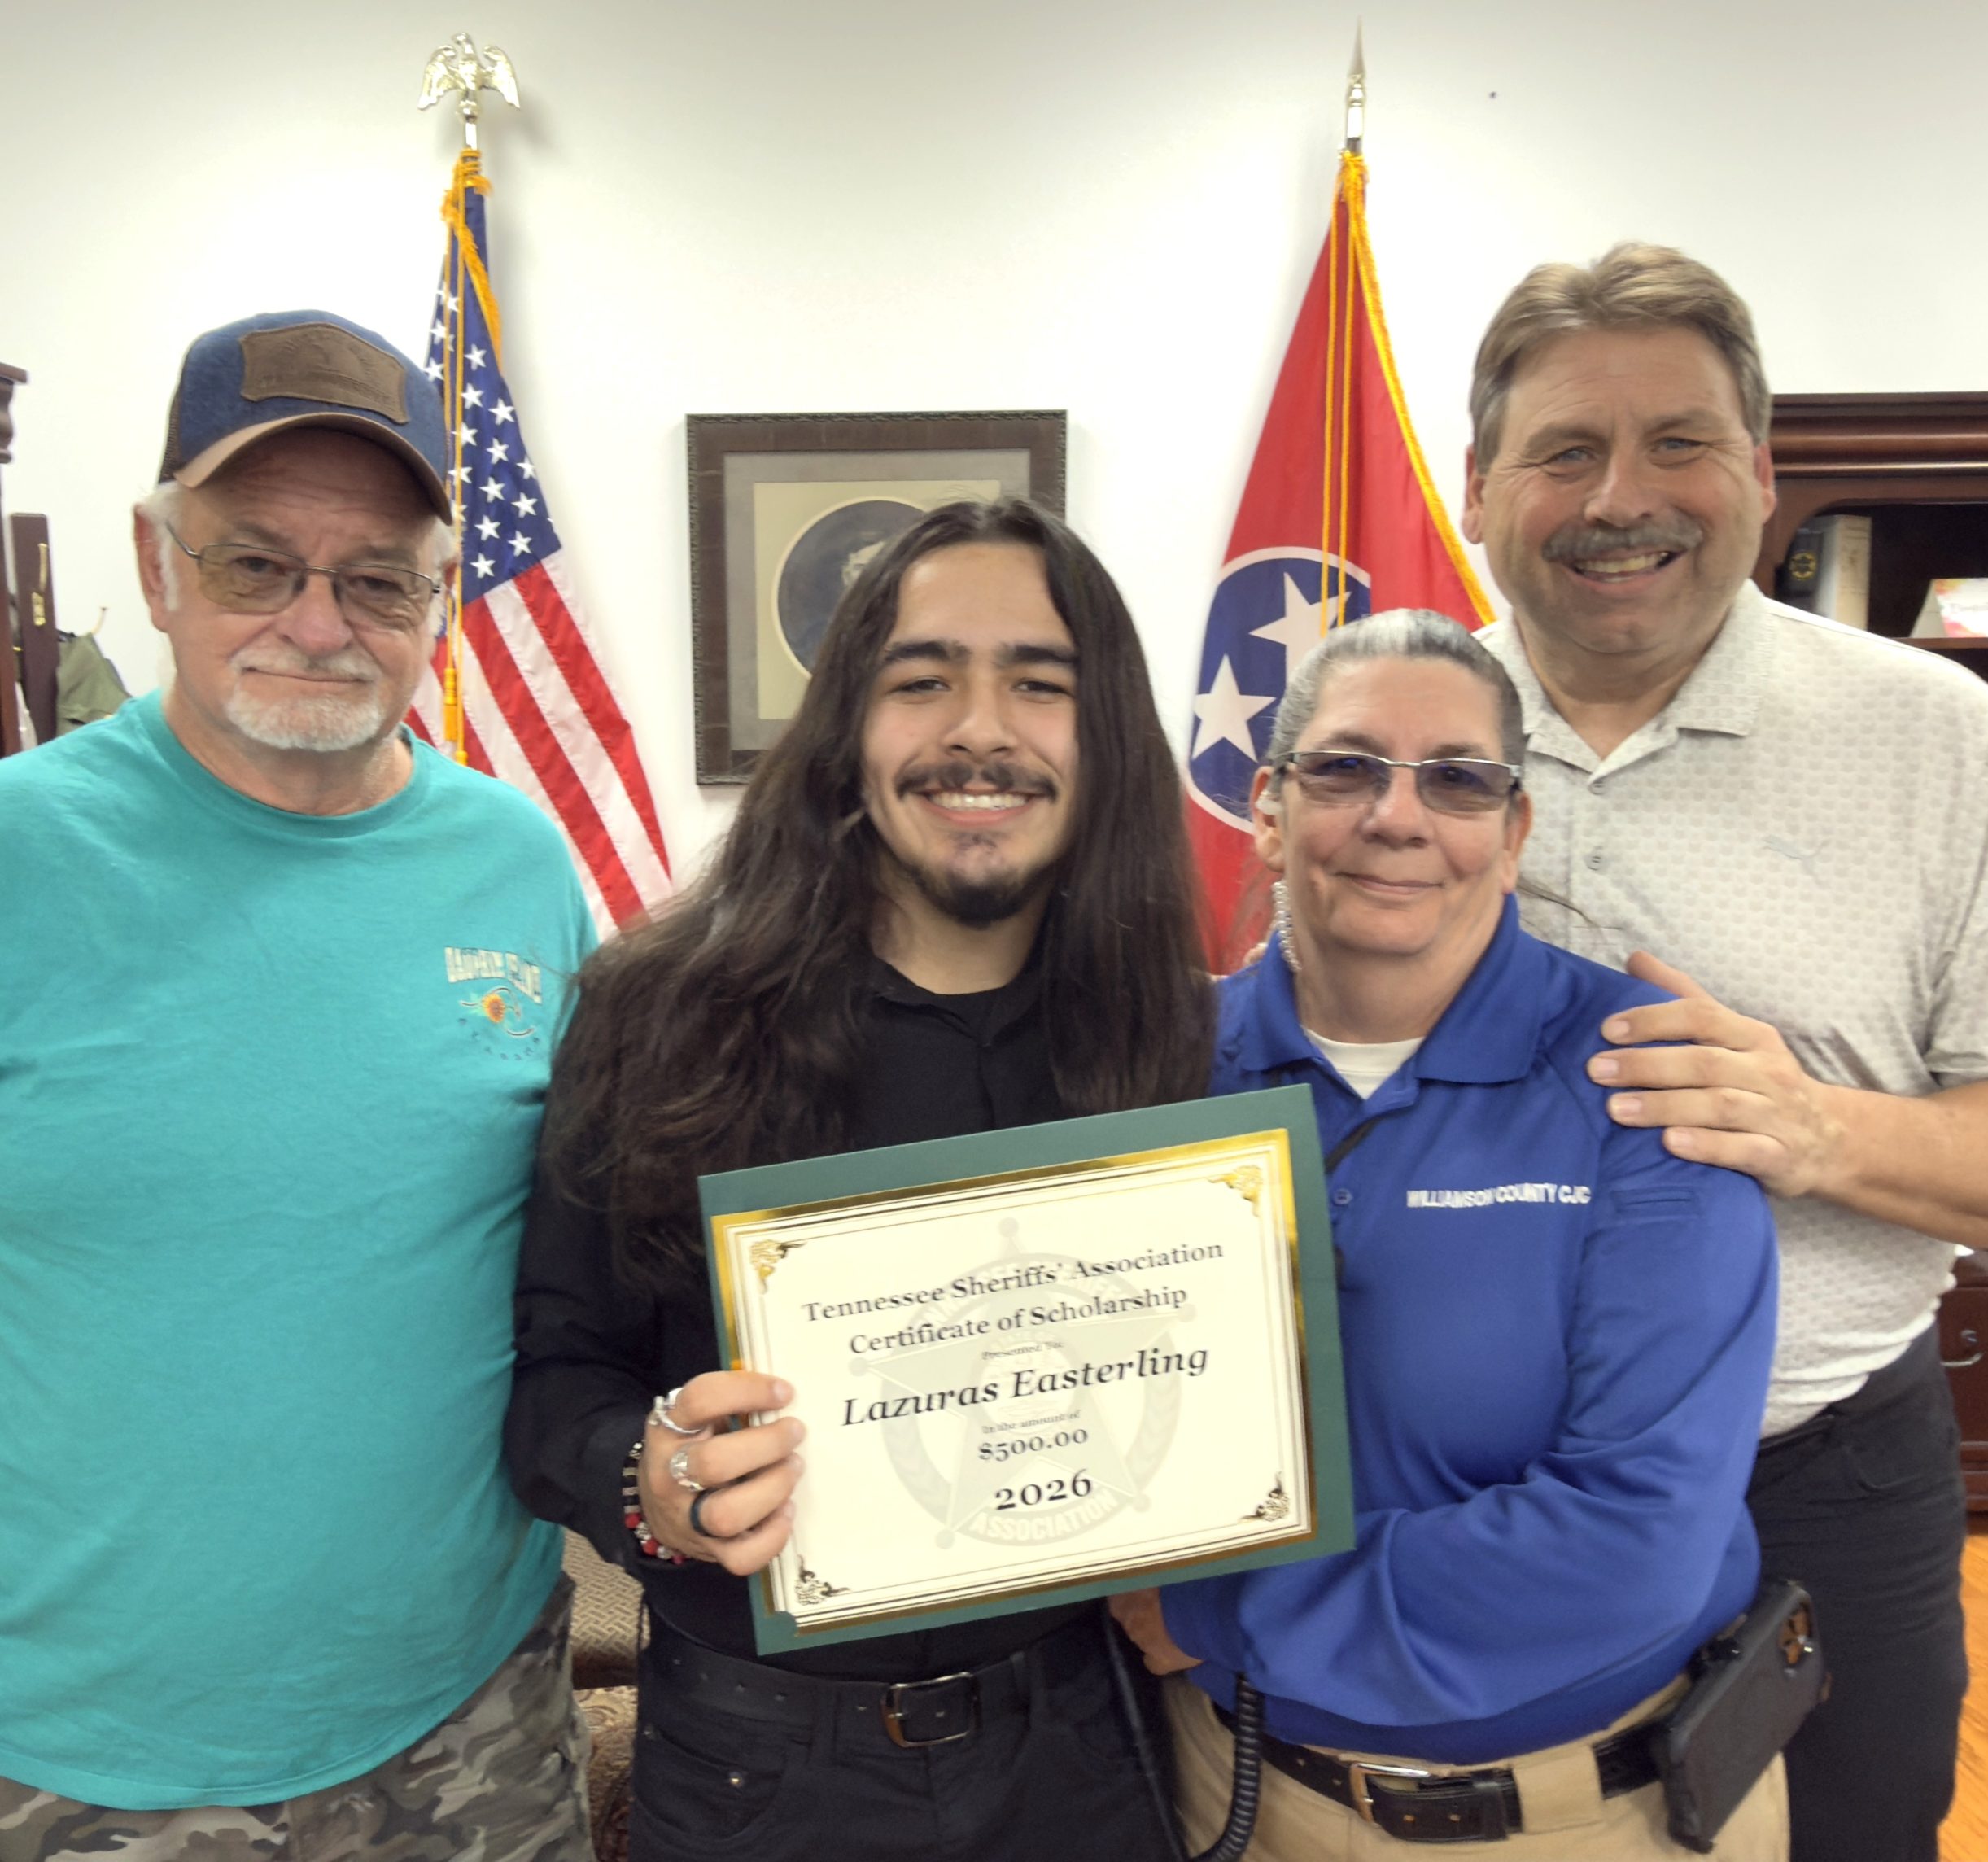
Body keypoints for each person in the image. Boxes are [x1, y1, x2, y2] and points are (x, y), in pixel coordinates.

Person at [1458, 243, 1988, 1862]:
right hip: (1449, 1485)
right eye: (1563, 450)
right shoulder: (1384, 722)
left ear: (1758, 474)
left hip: (1810, 1485)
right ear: (1477, 486)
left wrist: (1808, 1129)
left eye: (1676, 442)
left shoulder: (1936, 737)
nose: (1621, 496)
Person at [505, 496, 1210, 1862]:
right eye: (923, 677)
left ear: (1105, 736)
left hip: (1083, 1738)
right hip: (761, 1763)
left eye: (1040, 683)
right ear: (848, 727)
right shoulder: (658, 1019)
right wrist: (645, 1482)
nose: (980, 728)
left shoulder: (1171, 1039)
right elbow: (550, 1383)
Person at [0, 311, 595, 1860]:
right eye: (257, 564)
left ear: (439, 601)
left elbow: (599, 1250)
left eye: (378, 578)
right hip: (81, 1759)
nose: (319, 625)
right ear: (157, 568)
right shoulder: (18, 855)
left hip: (469, 1721)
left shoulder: (522, 870)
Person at [1110, 610, 1784, 1860]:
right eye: (1347, 767)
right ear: (1267, 807)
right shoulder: (1154, 1072)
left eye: (1461, 780)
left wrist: (1228, 1605)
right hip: (1236, 1791)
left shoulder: (1646, 1079)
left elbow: (1632, 1543)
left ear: (1514, 831)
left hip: (1594, 1811)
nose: (1398, 818)